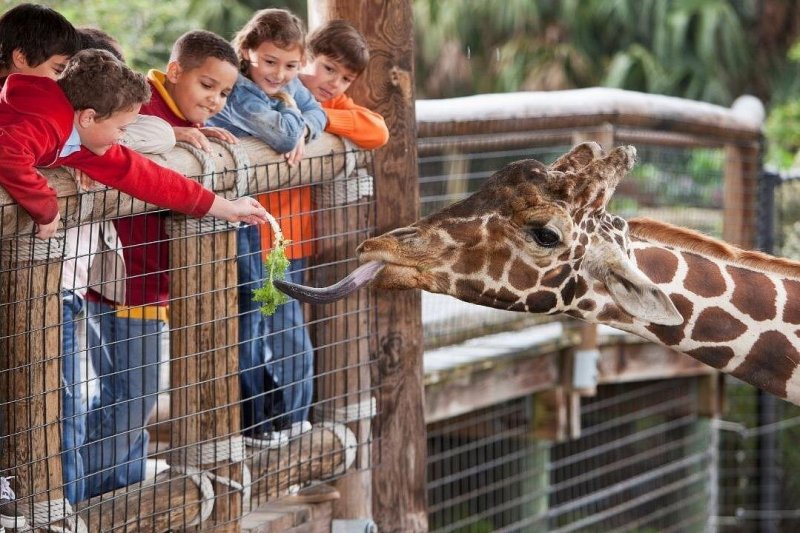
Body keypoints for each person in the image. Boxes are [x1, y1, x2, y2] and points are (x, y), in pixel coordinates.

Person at [77, 32, 242, 499]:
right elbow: (125, 143)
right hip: (129, 282)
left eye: (224, 93)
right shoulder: (143, 110)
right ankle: (68, 499)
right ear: (174, 72)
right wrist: (175, 136)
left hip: (147, 281)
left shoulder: (174, 116)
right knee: (136, 397)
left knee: (126, 399)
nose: (215, 100)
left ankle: (118, 498)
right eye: (207, 85)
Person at [208, 8, 326, 448]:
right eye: (270, 61)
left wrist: (302, 124)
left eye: (292, 66)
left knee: (266, 317)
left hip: (261, 222)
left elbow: (319, 116)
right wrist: (298, 121)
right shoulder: (240, 90)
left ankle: (276, 418)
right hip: (231, 221)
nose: (280, 74)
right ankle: (254, 420)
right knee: (250, 319)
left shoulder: (285, 85)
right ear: (248, 53)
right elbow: (281, 136)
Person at [299, 20, 389, 150]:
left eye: (346, 79)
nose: (335, 84)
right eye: (329, 69)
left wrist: (319, 117)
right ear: (304, 58)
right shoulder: (279, 89)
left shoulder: (333, 103)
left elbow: (379, 132)